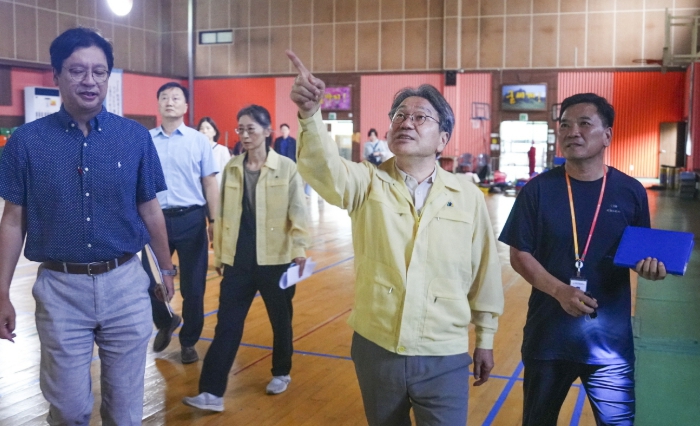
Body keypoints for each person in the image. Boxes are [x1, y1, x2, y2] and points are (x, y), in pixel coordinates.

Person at [287, 50, 504, 426]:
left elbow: (484, 269)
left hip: (443, 351)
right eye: (399, 116)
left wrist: (485, 337)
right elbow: (324, 169)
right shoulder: (366, 182)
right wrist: (310, 114)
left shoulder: (467, 196)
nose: (406, 122)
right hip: (377, 348)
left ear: (443, 138)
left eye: (420, 117)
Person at [0, 27, 174, 425]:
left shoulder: (134, 137)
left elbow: (150, 209)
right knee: (68, 410)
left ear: (108, 77)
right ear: (56, 75)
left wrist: (166, 269)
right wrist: (1, 291)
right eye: (77, 71)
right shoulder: (26, 142)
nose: (89, 81)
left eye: (99, 71)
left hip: (126, 284)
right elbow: (12, 221)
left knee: (125, 411)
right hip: (60, 289)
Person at [499, 93, 667, 426]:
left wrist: (650, 268)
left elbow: (639, 254)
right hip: (548, 340)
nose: (572, 131)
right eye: (565, 125)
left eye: (584, 124)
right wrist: (559, 290)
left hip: (610, 345)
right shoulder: (537, 190)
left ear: (607, 135)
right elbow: (519, 254)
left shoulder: (630, 191)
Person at [183, 105, 309, 412]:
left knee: (281, 319)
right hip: (240, 260)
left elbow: (298, 212)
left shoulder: (287, 168)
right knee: (227, 323)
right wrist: (221, 255)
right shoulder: (232, 168)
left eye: (251, 128)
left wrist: (299, 250)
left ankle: (281, 371)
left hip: (277, 258)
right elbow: (223, 214)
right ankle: (211, 392)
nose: (245, 134)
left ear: (267, 131)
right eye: (240, 129)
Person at [147, 82, 219, 364]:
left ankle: (189, 341)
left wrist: (214, 220)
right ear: (158, 104)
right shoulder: (145, 140)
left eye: (176, 98)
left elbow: (209, 182)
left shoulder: (198, 141)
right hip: (155, 221)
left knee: (194, 286)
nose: (170, 102)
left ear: (185, 106)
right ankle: (166, 321)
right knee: (150, 282)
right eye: (164, 97)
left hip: (191, 219)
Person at [198, 116, 232, 187]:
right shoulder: (195, 151)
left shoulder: (222, 150)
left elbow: (229, 173)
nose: (204, 131)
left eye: (208, 128)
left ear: (214, 132)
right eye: (201, 128)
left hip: (218, 188)